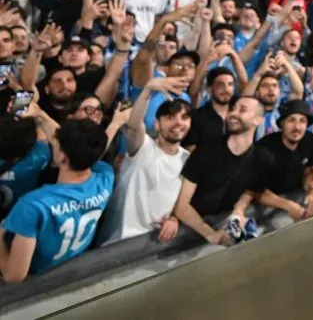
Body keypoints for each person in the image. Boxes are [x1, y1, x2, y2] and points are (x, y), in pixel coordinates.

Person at [0, 119, 113, 282]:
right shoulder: (105, 176)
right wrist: (39, 115)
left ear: (62, 157)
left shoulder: (32, 205)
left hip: (36, 284)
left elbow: (14, 275)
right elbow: (88, 154)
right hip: (72, 274)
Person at [98, 83, 192, 245]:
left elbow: (183, 202)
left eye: (184, 118)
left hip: (153, 246)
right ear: (157, 124)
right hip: (116, 243)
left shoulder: (188, 160)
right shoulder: (143, 146)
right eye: (170, 117)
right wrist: (147, 90)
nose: (178, 123)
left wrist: (175, 219)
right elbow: (135, 125)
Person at [172, 96, 271, 245]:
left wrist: (240, 208)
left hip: (225, 227)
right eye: (233, 108)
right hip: (191, 232)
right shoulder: (205, 151)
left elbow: (251, 190)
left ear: (258, 120)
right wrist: (210, 233)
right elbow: (181, 206)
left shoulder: (262, 158)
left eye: (242, 110)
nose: (233, 113)